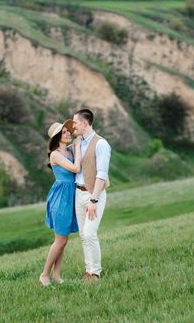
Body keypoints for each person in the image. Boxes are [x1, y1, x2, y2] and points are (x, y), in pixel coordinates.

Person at [40, 119, 82, 287]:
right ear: (57, 138)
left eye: (67, 131)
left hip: (70, 197)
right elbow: (75, 169)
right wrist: (78, 148)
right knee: (60, 240)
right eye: (64, 132)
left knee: (63, 240)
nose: (68, 133)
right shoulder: (55, 155)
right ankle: (44, 275)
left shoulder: (69, 152)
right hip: (60, 198)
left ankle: (57, 276)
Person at [72, 109, 111, 281]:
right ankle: (89, 270)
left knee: (89, 233)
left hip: (93, 195)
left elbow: (102, 174)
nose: (73, 125)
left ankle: (95, 272)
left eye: (75, 122)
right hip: (78, 193)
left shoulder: (101, 144)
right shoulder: (77, 143)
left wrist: (94, 199)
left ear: (85, 123)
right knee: (82, 235)